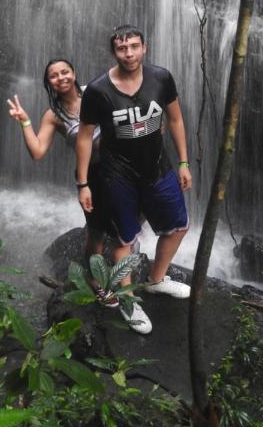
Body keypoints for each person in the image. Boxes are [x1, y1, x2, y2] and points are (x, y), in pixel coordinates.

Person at [76, 25, 192, 334]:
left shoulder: (161, 78)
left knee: (179, 227)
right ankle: (128, 301)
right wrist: (83, 182)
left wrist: (183, 162)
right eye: (122, 49)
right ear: (114, 52)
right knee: (124, 241)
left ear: (144, 48)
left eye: (134, 47)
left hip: (158, 168)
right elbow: (85, 137)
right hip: (117, 175)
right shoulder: (98, 91)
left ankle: (156, 280)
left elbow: (175, 118)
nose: (129, 54)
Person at [7, 58, 116, 304]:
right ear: (48, 83)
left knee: (131, 221)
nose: (61, 78)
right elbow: (37, 152)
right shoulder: (53, 115)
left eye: (65, 72)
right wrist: (24, 121)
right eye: (54, 76)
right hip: (91, 175)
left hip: (121, 167)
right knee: (96, 232)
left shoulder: (96, 92)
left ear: (74, 73)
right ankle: (96, 281)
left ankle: (126, 269)